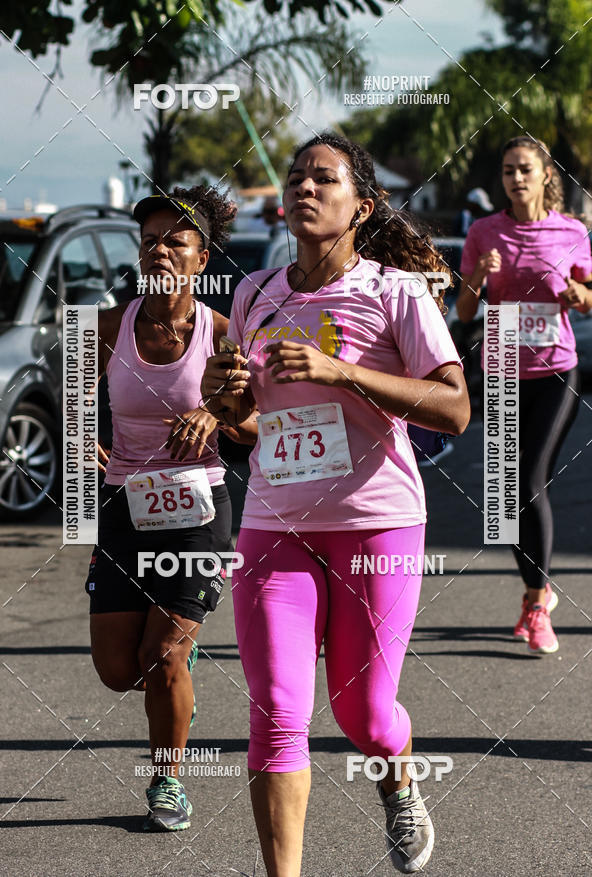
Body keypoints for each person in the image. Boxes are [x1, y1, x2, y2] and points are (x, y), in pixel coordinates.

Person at [200, 133, 470, 875]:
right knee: (278, 713)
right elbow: (251, 421)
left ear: (363, 205)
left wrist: (341, 370)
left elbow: (453, 408)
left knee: (365, 717)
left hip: (376, 523)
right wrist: (225, 396)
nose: (305, 188)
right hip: (275, 522)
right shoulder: (255, 293)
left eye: (324, 178)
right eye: (296, 178)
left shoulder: (396, 292)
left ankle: (398, 773)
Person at [87, 186, 255, 832]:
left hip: (198, 506)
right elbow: (75, 401)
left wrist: (213, 411)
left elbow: (254, 425)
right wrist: (84, 443)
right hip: (126, 505)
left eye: (175, 241)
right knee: (116, 669)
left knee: (164, 656)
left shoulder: (220, 333)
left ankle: (168, 778)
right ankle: (176, 699)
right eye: (150, 240)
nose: (159, 250)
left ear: (201, 258)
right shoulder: (110, 325)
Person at [457, 135, 592, 654]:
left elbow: (585, 298)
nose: (516, 178)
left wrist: (581, 295)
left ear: (544, 176)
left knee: (529, 481)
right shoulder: (484, 231)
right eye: (509, 169)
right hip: (502, 368)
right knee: (503, 500)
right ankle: (535, 592)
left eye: (525, 169)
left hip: (556, 370)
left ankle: (537, 605)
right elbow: (466, 313)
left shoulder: (571, 230)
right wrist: (478, 276)